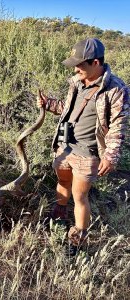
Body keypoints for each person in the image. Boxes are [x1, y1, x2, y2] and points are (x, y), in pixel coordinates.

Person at [37, 38, 129, 248]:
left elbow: (118, 125)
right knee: (62, 182)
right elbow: (67, 108)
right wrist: (48, 104)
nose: (76, 69)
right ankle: (59, 212)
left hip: (87, 153)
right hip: (64, 146)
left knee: (80, 196)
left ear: (95, 63)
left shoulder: (116, 89)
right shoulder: (77, 82)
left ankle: (77, 240)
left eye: (80, 64)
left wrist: (111, 155)